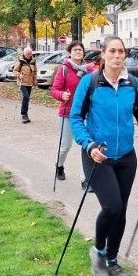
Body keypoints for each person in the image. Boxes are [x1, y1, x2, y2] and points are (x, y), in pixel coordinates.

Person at [70, 36, 138, 276]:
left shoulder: (132, 84)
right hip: (98, 155)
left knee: (122, 210)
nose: (117, 55)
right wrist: (89, 144)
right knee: (112, 206)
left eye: (121, 51)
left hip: (126, 156)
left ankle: (113, 261)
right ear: (103, 54)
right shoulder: (90, 83)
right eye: (112, 51)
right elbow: (75, 118)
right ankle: (99, 252)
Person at [50, 40, 93, 188]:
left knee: (86, 145)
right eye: (74, 50)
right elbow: (54, 90)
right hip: (67, 113)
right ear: (70, 52)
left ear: (83, 52)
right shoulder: (64, 69)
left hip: (85, 113)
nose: (77, 52)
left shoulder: (89, 70)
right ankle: (60, 165)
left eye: (80, 50)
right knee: (65, 147)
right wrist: (62, 95)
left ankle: (85, 179)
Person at [13, 47, 37, 123]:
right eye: (27, 54)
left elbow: (35, 72)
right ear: (24, 53)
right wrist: (19, 75)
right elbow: (15, 71)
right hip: (22, 82)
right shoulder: (20, 60)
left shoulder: (33, 60)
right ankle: (23, 114)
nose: (29, 55)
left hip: (30, 83)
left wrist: (35, 81)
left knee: (27, 98)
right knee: (25, 96)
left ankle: (26, 114)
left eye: (30, 54)